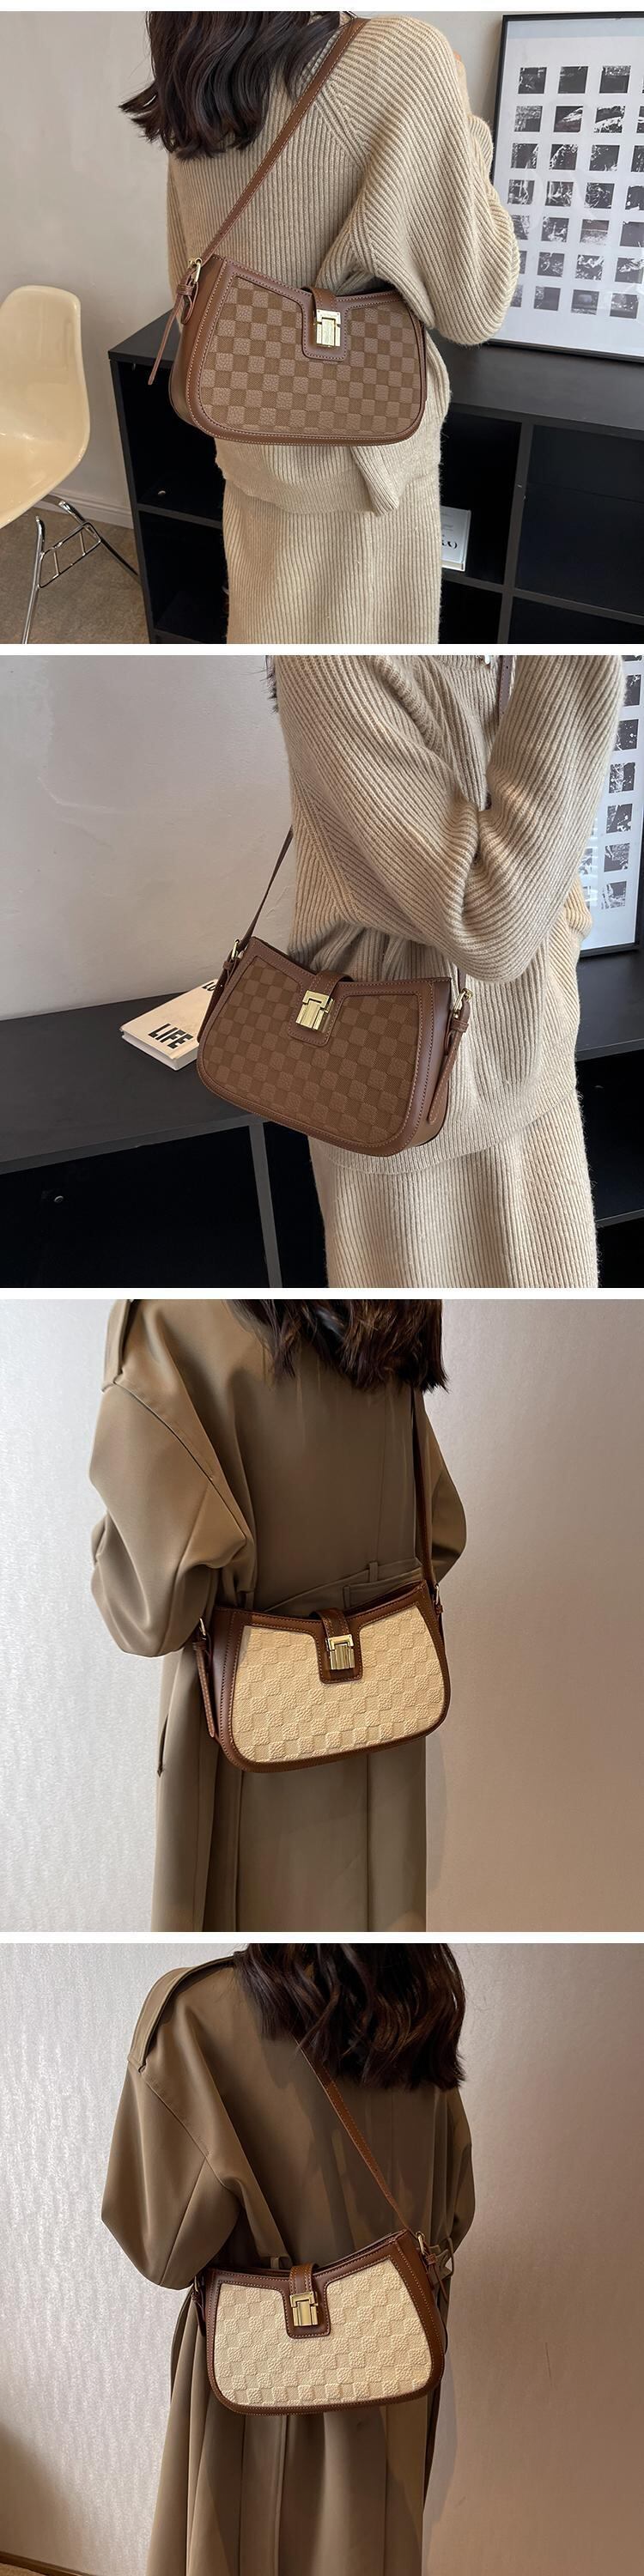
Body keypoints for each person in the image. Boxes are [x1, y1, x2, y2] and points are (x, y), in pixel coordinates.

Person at [122, 11, 518, 644]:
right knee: (367, 682)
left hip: (247, 441)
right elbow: (476, 307)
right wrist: (463, 134)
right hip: (363, 467)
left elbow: (192, 288)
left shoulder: (195, 72)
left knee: (270, 658)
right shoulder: (401, 57)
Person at [89, 1297, 465, 1931]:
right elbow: (441, 1535)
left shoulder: (170, 1321)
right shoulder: (385, 1324)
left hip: (240, 1748)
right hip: (382, 1733)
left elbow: (150, 1613)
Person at [102, 1941, 475, 2576]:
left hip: (255, 2388)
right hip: (392, 2385)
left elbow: (160, 2250)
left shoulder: (198, 2012)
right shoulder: (418, 2014)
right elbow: (453, 2219)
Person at [274, 648, 625, 1287]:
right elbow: (486, 923)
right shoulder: (332, 662)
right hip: (397, 1107)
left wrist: (563, 929)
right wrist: (577, 650)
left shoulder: (498, 654)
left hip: (534, 1072)